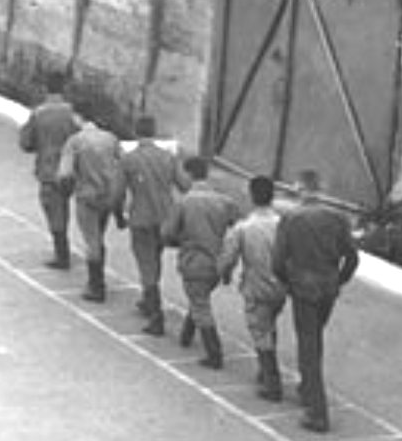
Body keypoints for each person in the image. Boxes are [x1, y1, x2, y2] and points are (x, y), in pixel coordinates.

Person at [272, 170, 359, 433]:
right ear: (320, 189)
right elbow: (352, 257)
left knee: (308, 345)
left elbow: (277, 261)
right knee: (315, 337)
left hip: (303, 287)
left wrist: (288, 282)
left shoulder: (291, 219)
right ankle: (307, 387)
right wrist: (338, 280)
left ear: (300, 189)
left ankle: (317, 411)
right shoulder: (338, 218)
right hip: (328, 287)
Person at [111, 114, 191, 335]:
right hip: (166, 218)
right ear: (154, 132)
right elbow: (185, 185)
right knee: (155, 258)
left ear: (136, 132)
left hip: (141, 218)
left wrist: (118, 216)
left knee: (147, 264)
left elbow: (117, 193)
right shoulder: (168, 157)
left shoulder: (129, 160)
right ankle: (148, 300)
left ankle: (156, 316)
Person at [161, 157, 239, 368]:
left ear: (188, 174)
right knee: (199, 297)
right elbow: (237, 225)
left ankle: (214, 353)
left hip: (194, 260)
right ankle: (186, 335)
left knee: (200, 305)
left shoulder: (184, 202)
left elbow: (167, 233)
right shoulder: (225, 201)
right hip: (216, 261)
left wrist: (178, 240)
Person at [218, 176, 287, 399]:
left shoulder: (244, 227)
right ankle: (264, 371)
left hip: (257, 286)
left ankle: (272, 381)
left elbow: (228, 257)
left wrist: (224, 274)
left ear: (251, 196)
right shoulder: (283, 224)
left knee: (259, 330)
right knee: (270, 325)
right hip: (281, 286)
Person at [19, 71, 81, 270]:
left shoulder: (38, 114)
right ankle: (66, 249)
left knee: (53, 209)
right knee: (64, 207)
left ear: (46, 89)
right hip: (70, 169)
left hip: (48, 169)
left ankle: (62, 254)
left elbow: (26, 143)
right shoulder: (72, 114)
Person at [57, 111, 120, 302]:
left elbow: (65, 173)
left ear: (80, 118)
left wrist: (67, 191)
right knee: (99, 235)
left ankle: (96, 285)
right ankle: (98, 277)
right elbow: (122, 165)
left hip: (87, 195)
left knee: (92, 240)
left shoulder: (75, 141)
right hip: (108, 195)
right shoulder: (111, 139)